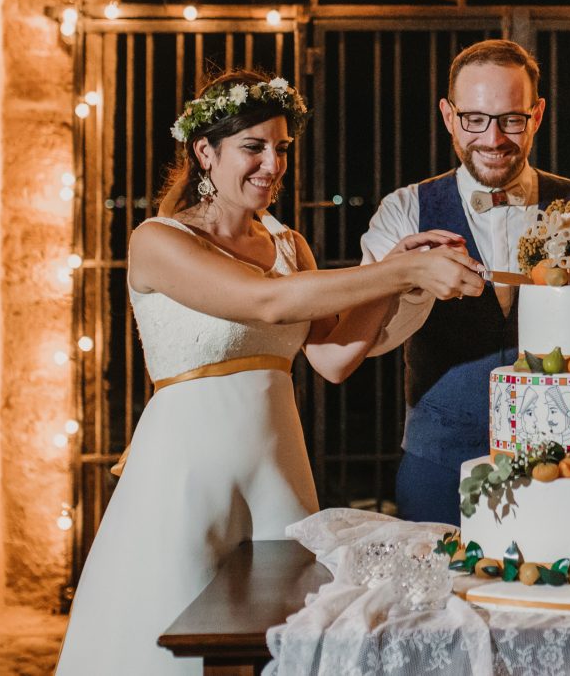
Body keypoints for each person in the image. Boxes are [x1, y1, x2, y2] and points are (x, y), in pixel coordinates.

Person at [56, 69, 483, 674]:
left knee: (280, 637)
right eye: (253, 147)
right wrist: (400, 275)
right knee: (173, 636)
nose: (272, 164)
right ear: (205, 151)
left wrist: (398, 271)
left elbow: (333, 360)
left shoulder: (290, 247)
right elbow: (267, 304)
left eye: (281, 148)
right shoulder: (158, 240)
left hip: (278, 467)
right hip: (186, 472)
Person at [360, 40, 570, 523]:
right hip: (439, 465)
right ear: (448, 115)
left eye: (511, 119)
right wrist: (406, 279)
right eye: (474, 119)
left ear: (537, 114)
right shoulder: (404, 212)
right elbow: (365, 341)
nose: (493, 138)